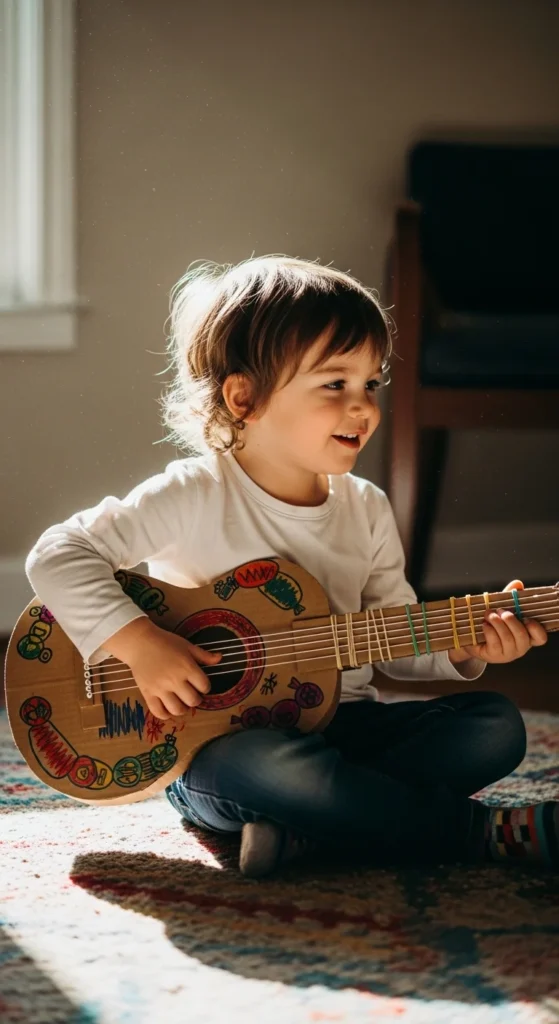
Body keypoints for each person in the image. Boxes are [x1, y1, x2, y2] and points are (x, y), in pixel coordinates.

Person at [26, 255, 556, 880]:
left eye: (371, 385)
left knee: (495, 727)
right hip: (216, 749)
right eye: (335, 385)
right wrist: (141, 643)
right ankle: (470, 833)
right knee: (269, 768)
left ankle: (315, 826)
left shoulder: (367, 509)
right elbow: (57, 554)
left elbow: (394, 639)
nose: (362, 408)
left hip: (345, 729)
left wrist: (469, 645)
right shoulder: (195, 493)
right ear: (244, 397)